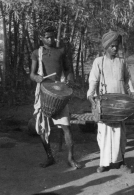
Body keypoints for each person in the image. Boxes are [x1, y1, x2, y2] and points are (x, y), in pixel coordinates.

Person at [30, 26, 82, 169]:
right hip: (44, 93)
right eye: (47, 36)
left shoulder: (61, 51)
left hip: (59, 92)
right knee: (42, 127)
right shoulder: (37, 53)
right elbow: (32, 74)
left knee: (66, 127)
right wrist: (37, 77)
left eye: (52, 36)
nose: (50, 39)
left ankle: (71, 159)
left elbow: (68, 70)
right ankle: (49, 157)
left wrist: (70, 80)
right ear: (41, 38)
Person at [87, 30, 134, 173]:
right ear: (106, 47)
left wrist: (132, 92)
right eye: (112, 46)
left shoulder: (122, 62)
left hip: (120, 104)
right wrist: (91, 96)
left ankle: (121, 162)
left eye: (117, 46)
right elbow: (93, 80)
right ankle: (104, 163)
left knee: (120, 134)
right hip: (105, 104)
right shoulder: (99, 62)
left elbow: (127, 79)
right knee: (104, 134)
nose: (115, 49)